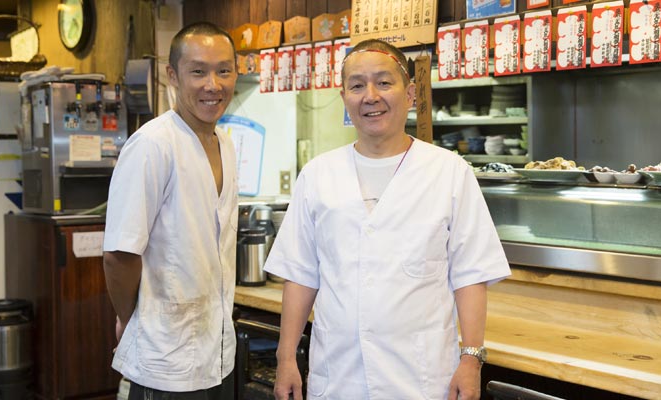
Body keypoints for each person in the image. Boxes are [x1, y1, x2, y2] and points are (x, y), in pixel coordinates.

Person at [266, 39, 510, 400]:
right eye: (357, 85)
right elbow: (301, 274)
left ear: (410, 93)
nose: (370, 96)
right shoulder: (318, 175)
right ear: (344, 97)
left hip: (419, 379)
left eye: (383, 82)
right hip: (339, 377)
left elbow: (470, 275)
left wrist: (471, 359)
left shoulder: (449, 172)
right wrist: (286, 358)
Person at [103, 22, 239, 398]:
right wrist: (134, 320)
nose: (213, 84)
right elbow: (119, 254)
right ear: (173, 75)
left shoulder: (225, 143)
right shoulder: (152, 145)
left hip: (218, 354)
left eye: (223, 70)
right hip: (164, 361)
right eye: (198, 71)